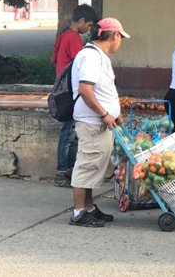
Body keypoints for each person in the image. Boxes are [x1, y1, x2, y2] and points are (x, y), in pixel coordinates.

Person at [69, 17, 130, 227]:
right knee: (87, 166)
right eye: (121, 37)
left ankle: (89, 208)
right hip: (92, 122)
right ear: (114, 35)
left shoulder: (98, 56)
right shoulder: (91, 57)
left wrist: (116, 112)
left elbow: (103, 90)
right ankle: (78, 212)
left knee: (95, 166)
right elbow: (86, 90)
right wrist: (105, 113)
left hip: (100, 122)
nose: (120, 42)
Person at [51, 4, 98, 188]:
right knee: (69, 133)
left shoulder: (63, 36)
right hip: (70, 91)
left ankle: (67, 169)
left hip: (63, 90)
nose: (88, 29)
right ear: (81, 21)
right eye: (88, 25)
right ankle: (63, 171)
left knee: (69, 131)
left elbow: (55, 60)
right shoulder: (73, 38)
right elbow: (82, 66)